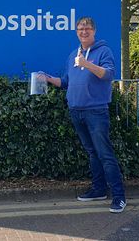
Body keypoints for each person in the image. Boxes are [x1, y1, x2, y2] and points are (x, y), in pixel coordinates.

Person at [39, 16, 126, 213]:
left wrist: (87, 64)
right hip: (76, 111)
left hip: (96, 111)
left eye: (87, 28)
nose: (83, 31)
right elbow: (67, 82)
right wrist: (48, 79)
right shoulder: (73, 55)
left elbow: (109, 74)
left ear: (94, 31)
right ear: (76, 32)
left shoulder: (104, 51)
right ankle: (98, 190)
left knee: (105, 154)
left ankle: (119, 197)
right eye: (80, 29)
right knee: (92, 152)